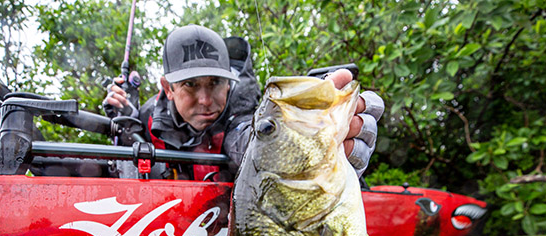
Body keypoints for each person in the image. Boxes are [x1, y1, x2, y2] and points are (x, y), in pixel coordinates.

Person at [103, 24, 383, 180]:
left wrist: (301, 136)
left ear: (229, 83)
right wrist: (126, 123)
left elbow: (250, 142)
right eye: (190, 85)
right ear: (167, 88)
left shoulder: (239, 113)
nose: (205, 100)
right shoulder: (146, 116)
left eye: (215, 83)